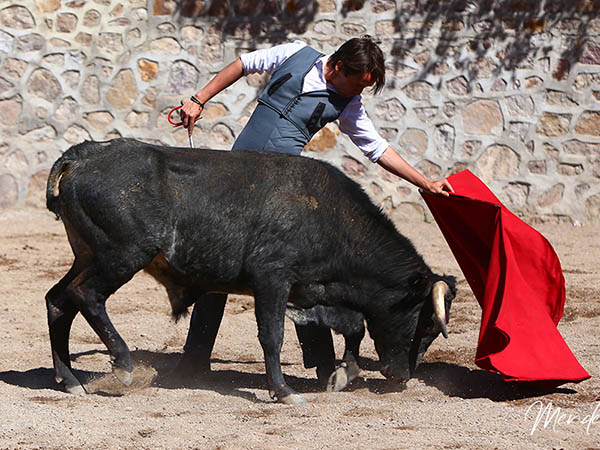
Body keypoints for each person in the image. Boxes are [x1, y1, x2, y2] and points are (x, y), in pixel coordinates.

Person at [176, 36, 454, 385]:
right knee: (214, 267)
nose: (357, 94)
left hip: (280, 193)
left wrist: (424, 182)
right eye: (356, 85)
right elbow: (242, 65)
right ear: (337, 67)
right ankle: (194, 360)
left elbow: (376, 147)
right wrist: (199, 99)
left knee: (303, 275)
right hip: (233, 180)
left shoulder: (348, 104)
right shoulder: (296, 53)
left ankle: (324, 367)